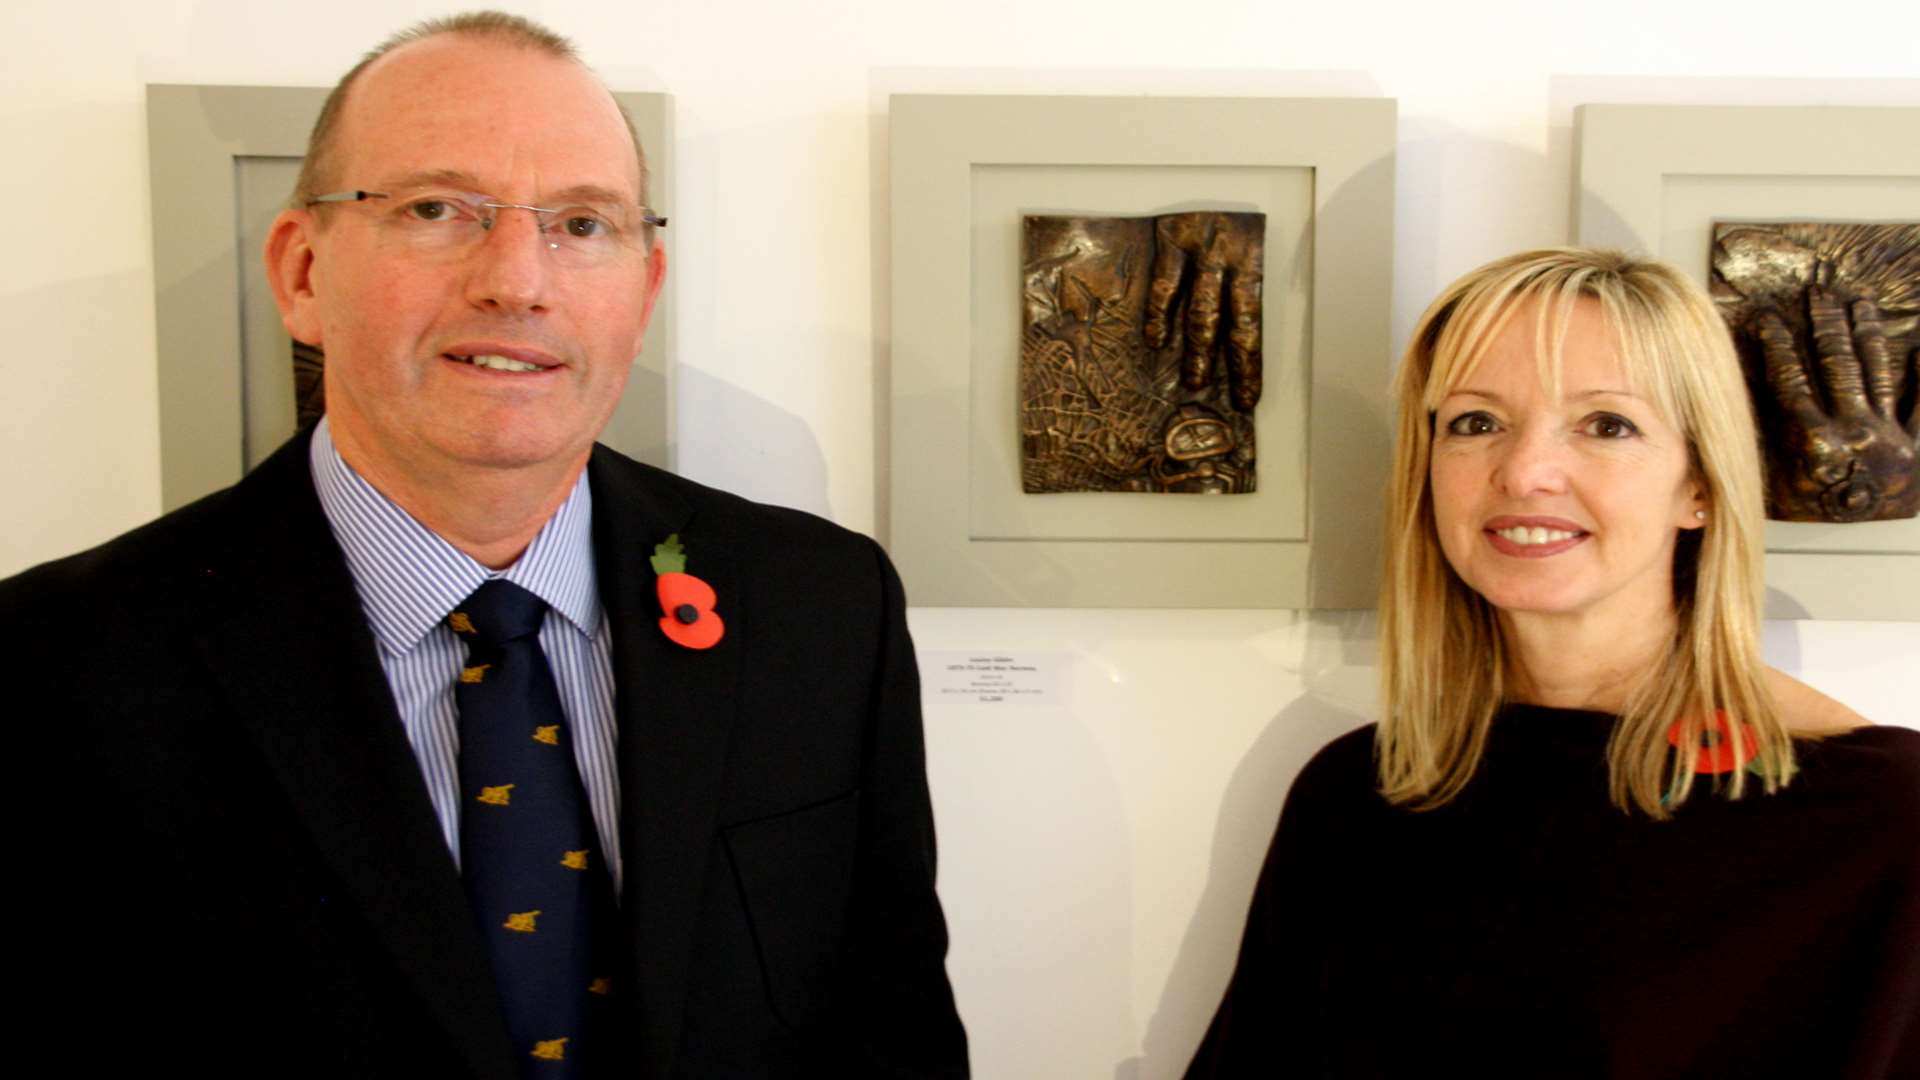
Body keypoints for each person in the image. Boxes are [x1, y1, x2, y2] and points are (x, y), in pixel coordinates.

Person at [1, 12, 966, 1077]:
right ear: (302, 272)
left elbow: (894, 1035)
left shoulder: (821, 607)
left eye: (583, 225)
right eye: (434, 208)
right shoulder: (54, 666)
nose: (518, 279)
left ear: (641, 294)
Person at [1186, 248, 1919, 1077]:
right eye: (1474, 422)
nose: (1525, 471)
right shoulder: (1364, 792)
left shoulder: (1881, 817)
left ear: (1701, 486)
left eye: (1607, 424)